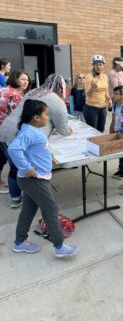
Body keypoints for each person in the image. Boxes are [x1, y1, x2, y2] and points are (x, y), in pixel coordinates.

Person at [8, 99, 79, 257]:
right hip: (34, 180)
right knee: (51, 209)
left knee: (28, 210)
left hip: (35, 179)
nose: (48, 117)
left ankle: (19, 243)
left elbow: (32, 149)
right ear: (36, 117)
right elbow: (14, 149)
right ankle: (59, 246)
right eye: (46, 114)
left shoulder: (31, 129)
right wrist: (26, 168)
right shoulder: (29, 132)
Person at [0, 73, 72, 208]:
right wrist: (69, 130)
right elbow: (63, 129)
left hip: (6, 130)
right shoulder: (56, 100)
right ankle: (19, 198)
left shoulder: (34, 91)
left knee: (14, 167)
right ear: (60, 87)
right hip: (19, 135)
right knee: (19, 168)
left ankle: (16, 196)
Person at [0, 70, 32, 193]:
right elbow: (20, 117)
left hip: (2, 129)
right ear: (15, 79)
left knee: (1, 156)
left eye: (27, 80)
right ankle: (15, 191)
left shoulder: (5, 89)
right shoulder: (16, 95)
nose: (25, 82)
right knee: (14, 163)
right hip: (6, 130)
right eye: (22, 79)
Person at [83, 54, 111, 133]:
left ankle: (99, 146)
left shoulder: (105, 77)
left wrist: (110, 100)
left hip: (102, 108)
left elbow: (106, 91)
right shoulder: (89, 77)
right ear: (93, 65)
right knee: (93, 132)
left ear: (103, 65)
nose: (99, 67)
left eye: (100, 65)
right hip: (91, 108)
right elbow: (88, 94)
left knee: (101, 130)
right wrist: (92, 87)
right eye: (96, 65)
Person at [109, 85, 123, 179]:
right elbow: (113, 120)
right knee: (119, 151)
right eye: (113, 93)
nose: (113, 95)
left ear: (122, 96)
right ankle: (121, 169)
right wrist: (111, 132)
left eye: (116, 94)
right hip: (117, 130)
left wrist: (121, 132)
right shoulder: (114, 105)